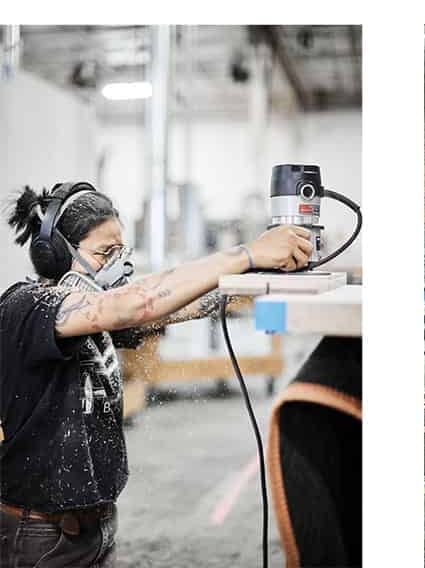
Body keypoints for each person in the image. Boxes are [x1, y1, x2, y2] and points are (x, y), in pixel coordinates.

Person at [1, 180, 313, 568]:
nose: (119, 264)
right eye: (104, 253)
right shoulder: (27, 307)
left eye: (121, 250)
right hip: (40, 535)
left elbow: (180, 305)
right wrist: (246, 253)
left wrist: (261, 277)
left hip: (96, 524)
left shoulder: (93, 318)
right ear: (55, 254)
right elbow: (136, 303)